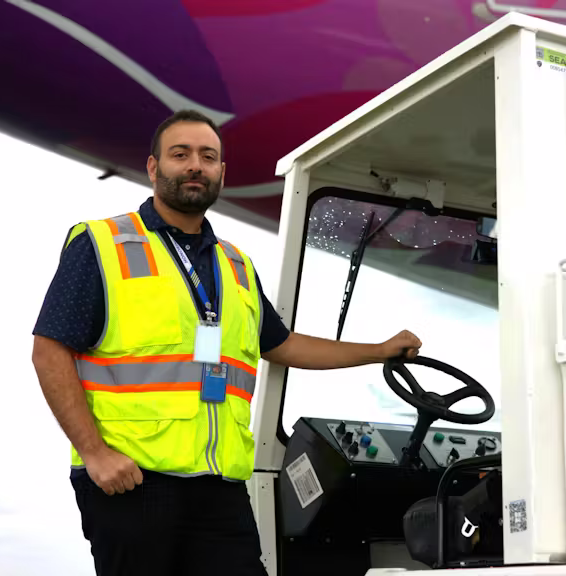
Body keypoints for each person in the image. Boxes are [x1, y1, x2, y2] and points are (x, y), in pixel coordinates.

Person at [31, 109, 422, 576]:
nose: (195, 165)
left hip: (219, 490)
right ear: (154, 168)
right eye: (181, 154)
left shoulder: (234, 264)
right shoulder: (103, 244)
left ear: (221, 172)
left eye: (208, 156)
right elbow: (48, 350)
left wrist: (376, 350)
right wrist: (95, 455)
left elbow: (282, 345)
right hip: (133, 483)